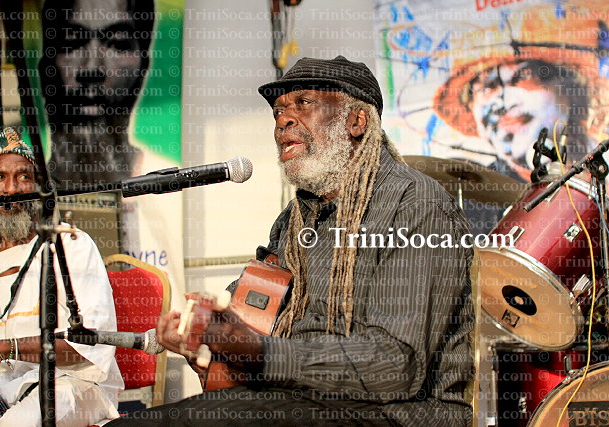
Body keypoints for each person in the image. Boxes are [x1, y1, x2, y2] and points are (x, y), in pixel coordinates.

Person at [109, 56, 474, 426]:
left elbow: (396, 366)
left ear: (356, 121)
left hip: (398, 415)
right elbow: (252, 309)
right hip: (300, 401)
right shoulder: (297, 216)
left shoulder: (417, 207)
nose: (283, 120)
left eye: (304, 103)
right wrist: (205, 333)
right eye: (279, 111)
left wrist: (260, 351)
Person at [0, 128, 123, 426]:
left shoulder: (71, 245)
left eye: (23, 176)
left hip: (73, 385)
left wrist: (4, 349)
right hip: (2, 391)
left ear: (39, 187)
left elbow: (89, 346)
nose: (11, 189)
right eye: (0, 177)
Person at [433, 4, 609, 183]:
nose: (504, 101)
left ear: (571, 88)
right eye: (487, 87)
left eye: (525, 75)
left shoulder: (602, 162)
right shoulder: (482, 190)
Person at [39, 0, 155, 185]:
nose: (92, 69)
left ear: (143, 69)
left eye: (117, 44)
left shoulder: (166, 189)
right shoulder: (21, 191)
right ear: (45, 69)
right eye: (72, 42)